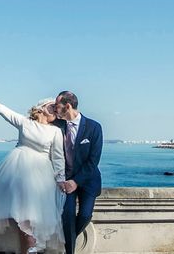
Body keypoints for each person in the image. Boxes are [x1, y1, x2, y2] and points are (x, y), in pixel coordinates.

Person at [0, 97, 67, 253]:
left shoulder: (55, 131)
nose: (55, 108)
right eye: (52, 106)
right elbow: (7, 112)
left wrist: (61, 179)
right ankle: (27, 247)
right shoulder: (25, 122)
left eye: (56, 107)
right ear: (41, 108)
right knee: (21, 216)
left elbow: (58, 157)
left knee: (32, 219)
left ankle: (29, 248)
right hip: (17, 168)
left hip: (41, 173)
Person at [53, 91, 102, 254]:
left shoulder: (94, 127)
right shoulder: (57, 126)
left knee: (85, 216)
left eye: (57, 106)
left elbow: (93, 160)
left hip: (87, 180)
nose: (54, 109)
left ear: (67, 106)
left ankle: (67, 240)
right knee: (66, 218)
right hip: (64, 182)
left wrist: (76, 181)